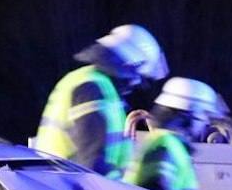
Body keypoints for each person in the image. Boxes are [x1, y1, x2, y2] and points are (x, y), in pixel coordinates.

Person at [32, 25, 169, 179]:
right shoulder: (92, 88)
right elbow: (92, 159)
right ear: (129, 64)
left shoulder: (95, 84)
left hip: (64, 184)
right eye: (138, 76)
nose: (136, 83)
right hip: (70, 186)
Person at [126, 77, 231, 190]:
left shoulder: (173, 145)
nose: (207, 122)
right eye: (204, 115)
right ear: (189, 116)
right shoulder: (165, 145)